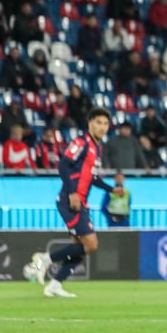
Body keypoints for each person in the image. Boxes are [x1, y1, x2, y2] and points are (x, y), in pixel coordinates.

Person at [32, 107, 124, 297]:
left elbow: (92, 177)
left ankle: (55, 285)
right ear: (90, 124)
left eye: (106, 123)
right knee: (91, 244)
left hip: (81, 201)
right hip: (70, 200)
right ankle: (44, 260)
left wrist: (111, 189)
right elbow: (63, 164)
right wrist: (73, 193)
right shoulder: (81, 142)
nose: (102, 127)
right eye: (98, 122)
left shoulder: (97, 148)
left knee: (79, 250)